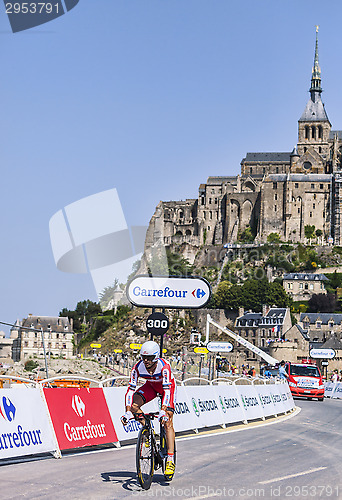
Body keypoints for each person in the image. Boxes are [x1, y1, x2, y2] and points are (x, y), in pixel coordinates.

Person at [121, 341, 177, 480]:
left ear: (156, 356)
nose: (146, 361)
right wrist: (128, 412)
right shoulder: (137, 368)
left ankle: (170, 459)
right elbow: (130, 391)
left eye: (150, 358)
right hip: (151, 386)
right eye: (143, 357)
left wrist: (163, 410)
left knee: (168, 421)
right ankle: (147, 430)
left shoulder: (164, 367)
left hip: (166, 390)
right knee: (135, 405)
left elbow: (167, 391)